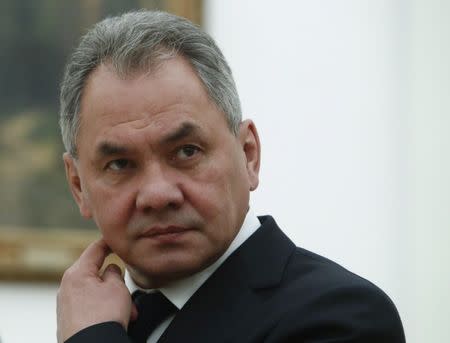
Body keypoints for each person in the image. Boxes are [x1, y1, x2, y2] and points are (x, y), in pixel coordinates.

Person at [57, 10, 405, 343]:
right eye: (120, 164)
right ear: (78, 186)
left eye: (187, 151)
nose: (158, 194)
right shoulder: (100, 317)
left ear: (248, 154)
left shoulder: (343, 318)